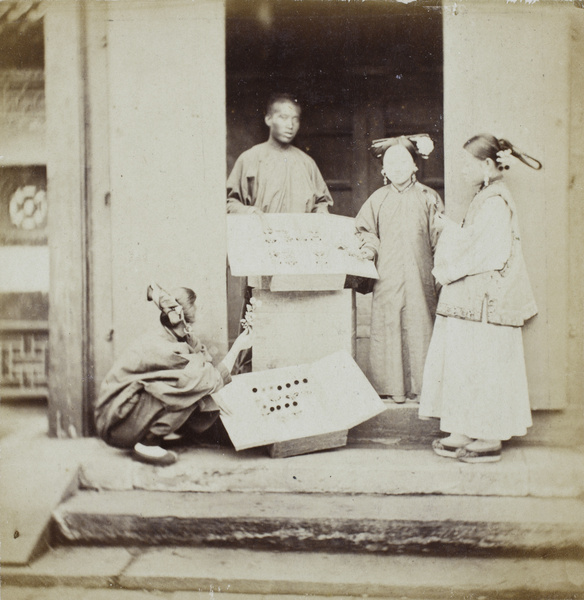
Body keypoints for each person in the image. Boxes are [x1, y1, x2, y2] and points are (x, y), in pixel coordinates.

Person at [419, 133, 542, 463]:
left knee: (486, 366)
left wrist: (448, 257)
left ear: (487, 165)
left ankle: (488, 435)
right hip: (473, 297)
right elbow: (475, 241)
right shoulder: (485, 196)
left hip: (488, 298)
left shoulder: (496, 201)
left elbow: (487, 252)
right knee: (464, 364)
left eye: (467, 163)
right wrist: (452, 230)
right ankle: (463, 427)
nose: (460, 170)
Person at [94, 283, 252, 466]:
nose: (201, 309)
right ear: (184, 315)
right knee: (192, 385)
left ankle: (171, 435)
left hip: (126, 413)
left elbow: (202, 361)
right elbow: (204, 377)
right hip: (116, 423)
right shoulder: (163, 345)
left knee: (198, 383)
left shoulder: (178, 336)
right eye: (197, 306)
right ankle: (148, 443)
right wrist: (239, 346)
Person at [355, 134, 444, 404]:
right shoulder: (377, 199)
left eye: (403, 161)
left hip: (421, 275)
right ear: (383, 169)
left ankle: (423, 388)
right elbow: (365, 231)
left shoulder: (429, 197)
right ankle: (391, 388)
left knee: (421, 325)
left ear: (415, 165)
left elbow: (440, 238)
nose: (397, 167)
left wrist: (440, 270)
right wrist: (369, 248)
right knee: (387, 325)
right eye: (390, 162)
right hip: (388, 276)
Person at [226, 93, 333, 214]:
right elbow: (229, 203)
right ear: (268, 119)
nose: (290, 125)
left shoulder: (307, 163)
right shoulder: (249, 158)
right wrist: (249, 212)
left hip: (300, 232)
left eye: (295, 119)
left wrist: (321, 211)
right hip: (261, 231)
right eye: (283, 117)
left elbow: (321, 203)